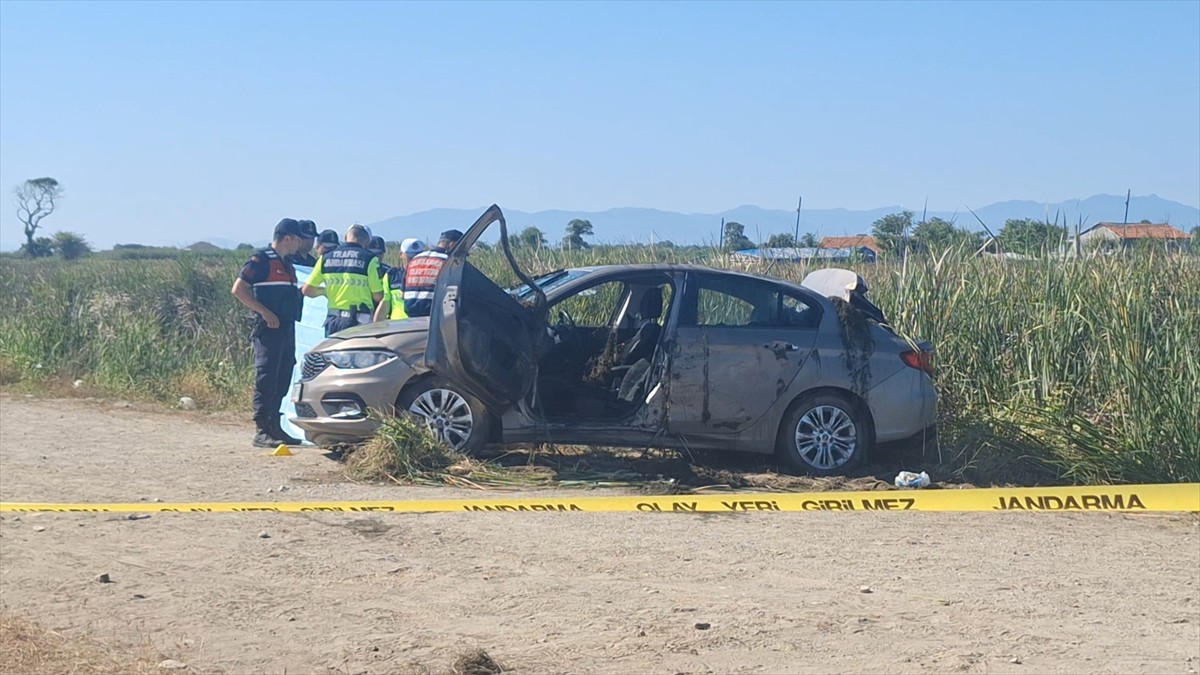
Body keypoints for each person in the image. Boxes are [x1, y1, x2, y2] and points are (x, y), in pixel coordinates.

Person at [231, 218, 306, 447]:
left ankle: (275, 426)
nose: (300, 244)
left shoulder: (288, 263)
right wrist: (264, 312)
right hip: (269, 330)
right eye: (298, 239)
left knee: (282, 377)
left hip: (287, 329)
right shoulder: (261, 259)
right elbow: (238, 289)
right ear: (287, 238)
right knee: (267, 378)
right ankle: (262, 430)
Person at [302, 224, 384, 336]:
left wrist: (325, 292)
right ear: (366, 242)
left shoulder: (325, 258)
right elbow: (378, 296)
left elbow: (307, 290)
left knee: (332, 352)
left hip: (333, 319)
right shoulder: (369, 259)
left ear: (345, 237)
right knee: (357, 352)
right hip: (360, 320)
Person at [373, 238, 426, 322]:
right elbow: (385, 303)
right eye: (410, 257)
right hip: (397, 327)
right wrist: (375, 327)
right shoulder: (391, 275)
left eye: (417, 256)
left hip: (419, 326)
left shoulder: (429, 276)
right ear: (401, 254)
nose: (414, 260)